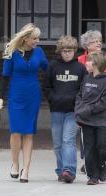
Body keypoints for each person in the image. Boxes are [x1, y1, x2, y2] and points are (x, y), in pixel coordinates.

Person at [0, 23, 49, 183]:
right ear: (25, 38)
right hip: (16, 95)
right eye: (34, 38)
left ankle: (26, 170)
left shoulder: (39, 52)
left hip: (33, 96)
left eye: (38, 38)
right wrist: (0, 97)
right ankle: (15, 163)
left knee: (28, 132)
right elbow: (5, 77)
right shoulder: (11, 52)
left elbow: (49, 70)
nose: (37, 41)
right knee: (16, 131)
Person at [44, 35, 86, 183]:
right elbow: (47, 86)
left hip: (73, 111)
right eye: (64, 50)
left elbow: (83, 88)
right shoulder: (53, 65)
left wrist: (78, 102)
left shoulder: (80, 68)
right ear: (59, 51)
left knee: (68, 140)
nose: (67, 53)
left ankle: (69, 170)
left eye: (70, 50)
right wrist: (52, 98)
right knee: (57, 144)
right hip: (56, 110)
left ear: (75, 51)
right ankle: (61, 170)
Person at [78, 30, 106, 173]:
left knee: (102, 137)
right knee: (86, 137)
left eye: (100, 40)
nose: (99, 43)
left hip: (103, 105)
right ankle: (87, 162)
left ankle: (102, 162)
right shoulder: (80, 61)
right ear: (86, 46)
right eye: (95, 41)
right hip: (86, 107)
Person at [75, 51, 106, 185]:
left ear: (96, 64)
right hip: (86, 121)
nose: (86, 63)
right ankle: (93, 175)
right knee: (89, 149)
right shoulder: (86, 78)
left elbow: (104, 102)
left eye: (89, 61)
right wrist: (79, 108)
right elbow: (80, 95)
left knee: (101, 146)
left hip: (100, 121)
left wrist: (88, 110)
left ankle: (102, 166)